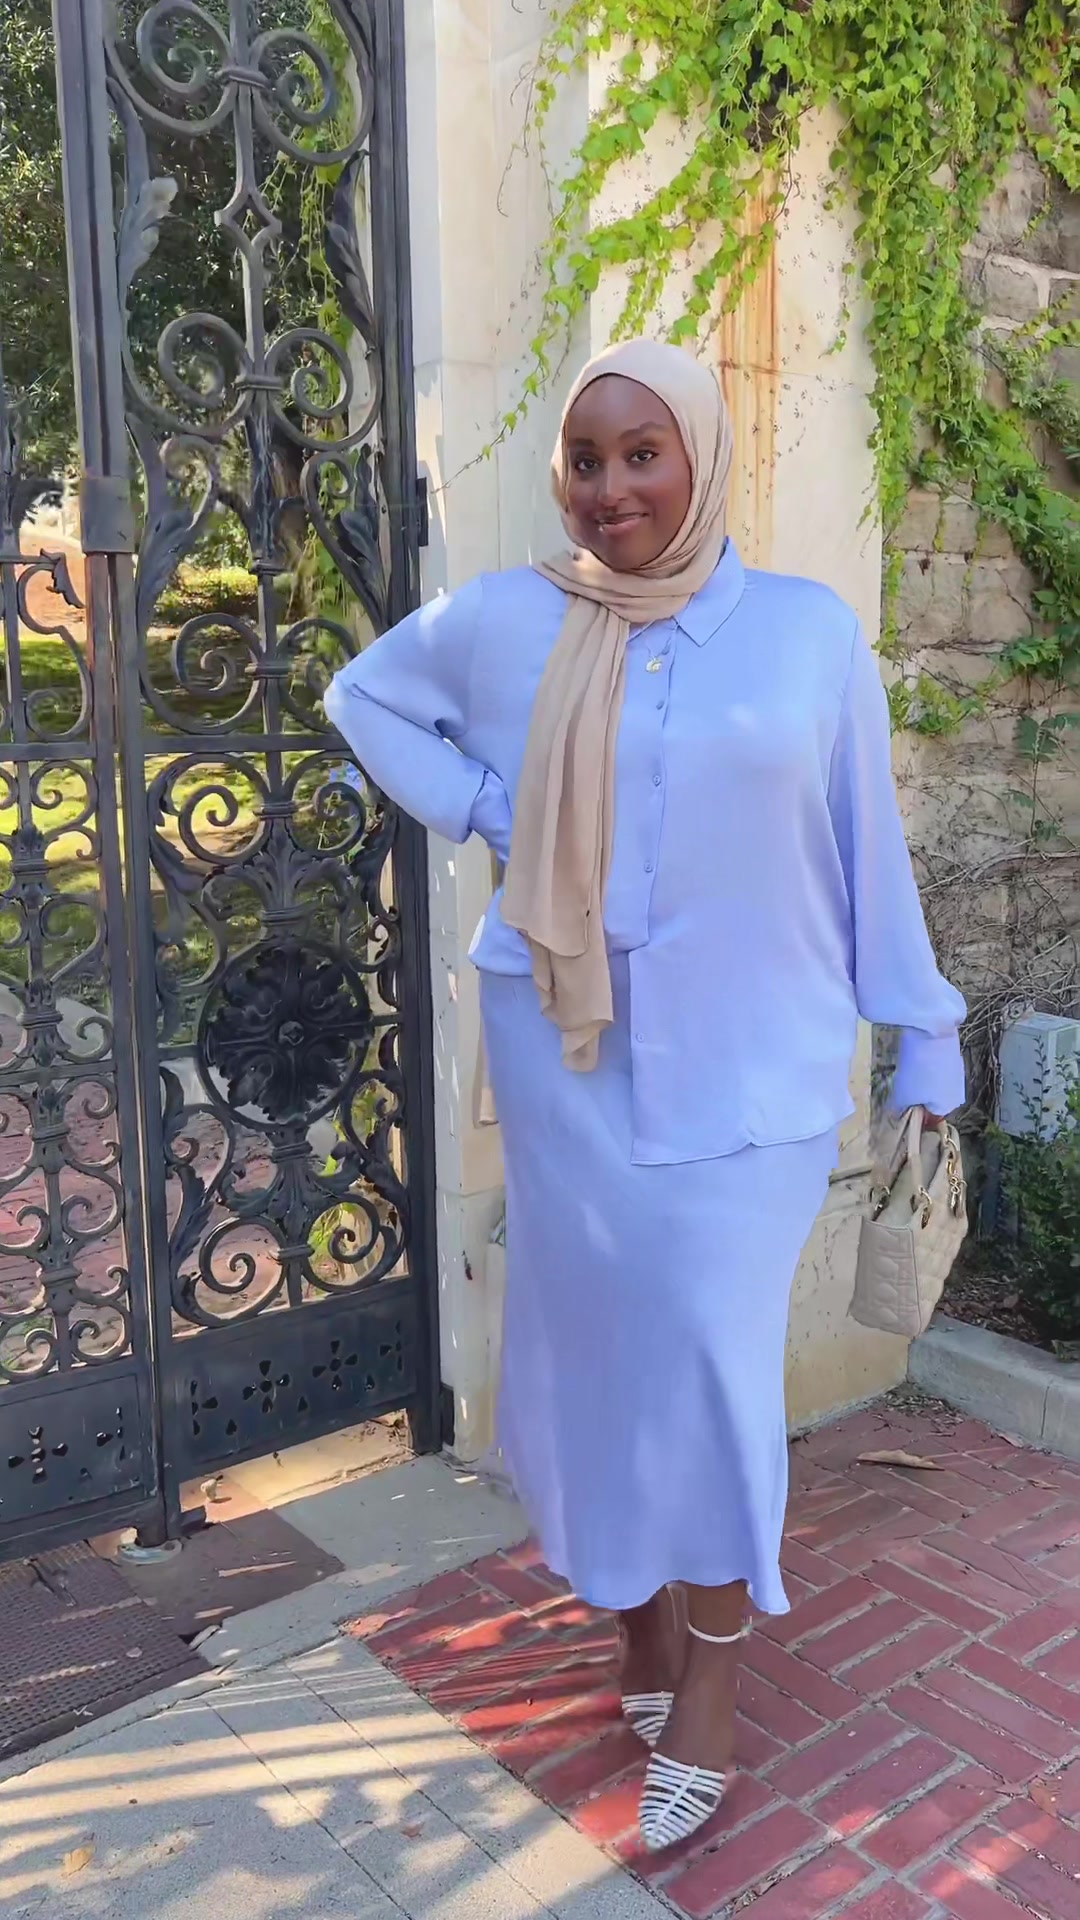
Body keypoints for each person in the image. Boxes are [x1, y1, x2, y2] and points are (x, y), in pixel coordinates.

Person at [325, 339, 965, 1853]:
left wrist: (924, 1036)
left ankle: (716, 1691)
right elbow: (364, 697)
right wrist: (490, 802)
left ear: (700, 460)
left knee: (709, 1368)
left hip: (754, 1080)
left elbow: (865, 848)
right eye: (585, 460)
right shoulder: (508, 621)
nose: (610, 489)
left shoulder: (807, 635)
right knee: (601, 1364)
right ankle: (639, 1623)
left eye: (641, 454)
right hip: (573, 1074)